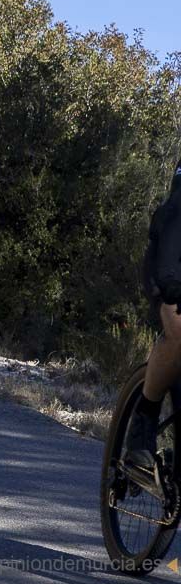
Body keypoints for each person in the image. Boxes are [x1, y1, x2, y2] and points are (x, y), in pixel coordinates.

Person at [127, 162, 181, 469]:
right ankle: (144, 420)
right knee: (179, 324)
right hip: (172, 255)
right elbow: (174, 217)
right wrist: (171, 281)